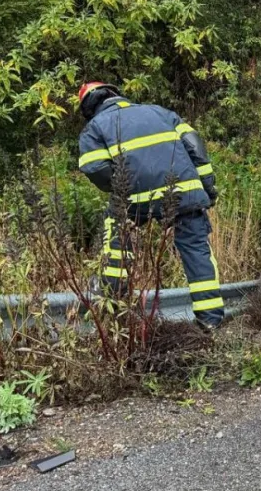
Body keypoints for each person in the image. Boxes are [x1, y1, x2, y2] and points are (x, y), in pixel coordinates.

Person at [76, 82, 224, 329]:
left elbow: (95, 168)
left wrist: (123, 190)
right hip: (184, 191)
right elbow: (195, 147)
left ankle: (113, 308)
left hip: (133, 198)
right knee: (197, 252)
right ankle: (210, 323)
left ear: (89, 108)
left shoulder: (94, 127)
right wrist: (207, 188)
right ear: (115, 94)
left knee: (118, 242)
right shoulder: (160, 112)